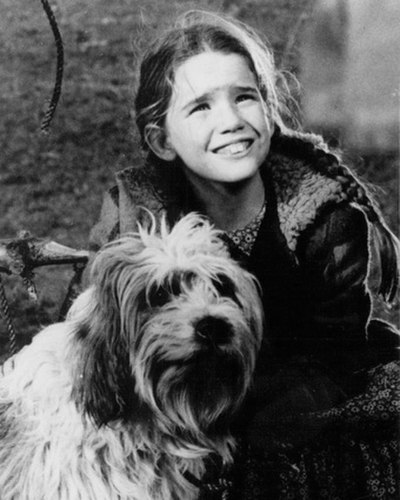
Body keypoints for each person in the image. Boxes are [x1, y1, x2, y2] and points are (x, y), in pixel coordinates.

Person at [89, 10, 400, 499]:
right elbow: (106, 328)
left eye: (245, 98)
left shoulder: (327, 219)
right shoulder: (138, 213)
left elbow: (335, 349)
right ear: (161, 140)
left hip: (303, 382)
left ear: (269, 109)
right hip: (175, 400)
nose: (231, 121)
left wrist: (244, 409)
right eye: (201, 108)